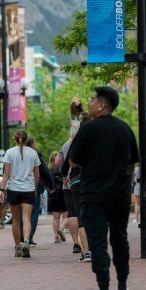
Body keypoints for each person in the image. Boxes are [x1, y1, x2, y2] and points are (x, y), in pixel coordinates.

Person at [69, 86, 139, 290]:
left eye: (92, 100)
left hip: (93, 195)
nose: (89, 103)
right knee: (120, 239)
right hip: (119, 194)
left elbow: (73, 160)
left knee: (98, 241)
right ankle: (123, 287)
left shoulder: (88, 129)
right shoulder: (125, 129)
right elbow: (133, 161)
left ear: (101, 104)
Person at [0, 130, 39, 259]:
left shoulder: (9, 152)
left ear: (14, 139)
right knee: (26, 218)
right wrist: (35, 187)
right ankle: (26, 242)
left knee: (16, 220)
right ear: (26, 139)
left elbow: (6, 174)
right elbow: (37, 175)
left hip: (13, 189)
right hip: (28, 189)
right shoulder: (33, 153)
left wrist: (1, 189)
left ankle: (18, 247)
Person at [63, 112, 93, 263]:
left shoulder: (76, 141)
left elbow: (67, 163)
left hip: (77, 181)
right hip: (96, 180)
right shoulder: (98, 139)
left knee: (80, 215)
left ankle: (86, 253)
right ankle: (96, 249)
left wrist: (64, 177)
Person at [22, 136, 53, 246]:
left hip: (18, 188)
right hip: (33, 188)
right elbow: (45, 172)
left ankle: (21, 238)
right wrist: (51, 185)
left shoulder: (14, 154)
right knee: (33, 214)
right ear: (31, 144)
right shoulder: (36, 155)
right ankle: (28, 238)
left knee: (22, 215)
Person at [47, 152, 67, 243]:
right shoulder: (63, 167)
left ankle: (56, 237)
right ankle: (62, 228)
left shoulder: (49, 169)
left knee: (55, 218)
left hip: (53, 194)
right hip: (63, 192)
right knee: (66, 215)